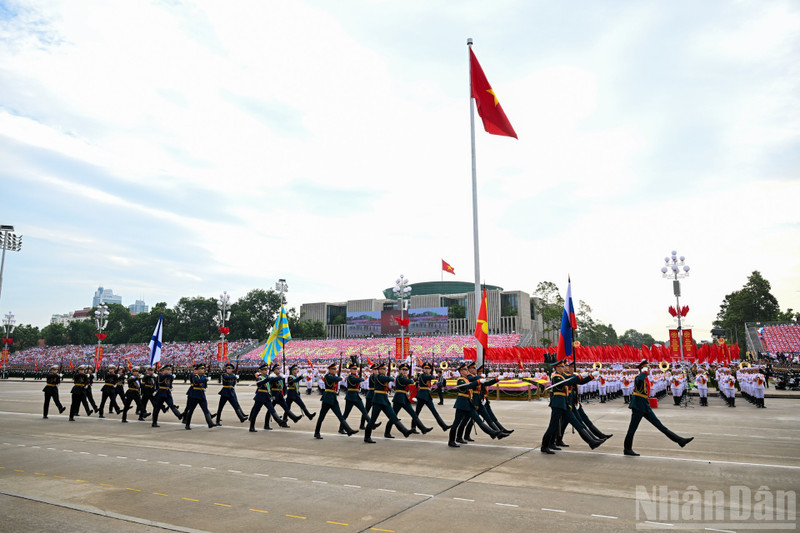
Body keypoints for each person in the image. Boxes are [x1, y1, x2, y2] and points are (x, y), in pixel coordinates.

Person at [623, 359, 694, 456]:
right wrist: (643, 372)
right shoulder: (639, 377)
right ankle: (627, 449)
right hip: (638, 406)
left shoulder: (645, 378)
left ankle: (679, 440)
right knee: (632, 429)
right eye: (647, 368)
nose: (648, 370)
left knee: (660, 426)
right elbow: (639, 381)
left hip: (645, 405)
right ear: (643, 369)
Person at [448, 362, 501, 448]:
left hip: (469, 403)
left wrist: (494, 380)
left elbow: (473, 383)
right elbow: (468, 386)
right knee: (456, 423)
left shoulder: (467, 379)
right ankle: (451, 440)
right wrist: (478, 381)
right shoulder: (460, 380)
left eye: (466, 369)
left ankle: (492, 432)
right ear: (461, 371)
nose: (466, 371)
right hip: (462, 404)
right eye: (464, 369)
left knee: (478, 420)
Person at [363, 362, 412, 444]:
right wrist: (390, 376)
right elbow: (390, 379)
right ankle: (367, 437)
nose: (384, 370)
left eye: (385, 369)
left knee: (393, 416)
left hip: (384, 399)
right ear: (379, 370)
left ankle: (404, 431)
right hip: (378, 400)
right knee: (373, 419)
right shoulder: (378, 377)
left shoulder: (383, 376)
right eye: (382, 369)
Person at [385, 363, 432, 438]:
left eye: (406, 370)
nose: (405, 371)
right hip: (398, 398)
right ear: (400, 370)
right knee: (393, 416)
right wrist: (413, 379)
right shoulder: (399, 377)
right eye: (403, 370)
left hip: (404, 398)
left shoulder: (405, 377)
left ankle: (423, 428)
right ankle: (387, 432)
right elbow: (409, 382)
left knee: (413, 414)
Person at [313, 363, 358, 439]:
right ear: (330, 370)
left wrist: (339, 377)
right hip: (327, 398)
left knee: (340, 415)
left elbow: (338, 379)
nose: (335, 370)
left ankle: (348, 430)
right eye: (333, 369)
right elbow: (337, 379)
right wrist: (339, 377)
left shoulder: (333, 376)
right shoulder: (328, 376)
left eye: (335, 369)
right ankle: (316, 432)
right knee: (322, 416)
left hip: (333, 398)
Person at [248, 362, 289, 433]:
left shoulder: (268, 377)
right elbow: (259, 384)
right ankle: (251, 427)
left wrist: (280, 377)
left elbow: (274, 380)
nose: (266, 371)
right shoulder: (259, 377)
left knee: (272, 409)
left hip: (267, 396)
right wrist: (268, 378)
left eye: (266, 370)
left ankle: (280, 421)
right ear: (260, 371)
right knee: (256, 412)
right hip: (260, 396)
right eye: (264, 370)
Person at [339, 363, 376, 434]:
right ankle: (341, 428)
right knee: (346, 413)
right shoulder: (350, 377)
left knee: (364, 411)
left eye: (356, 369)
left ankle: (371, 424)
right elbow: (357, 380)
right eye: (353, 369)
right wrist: (363, 378)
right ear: (350, 370)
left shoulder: (356, 376)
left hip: (356, 396)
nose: (355, 370)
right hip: (350, 397)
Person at [412, 362, 450, 432]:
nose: (427, 370)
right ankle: (413, 427)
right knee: (417, 412)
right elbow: (431, 377)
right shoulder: (422, 376)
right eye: (425, 368)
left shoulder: (427, 375)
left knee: (434, 411)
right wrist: (433, 374)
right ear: (423, 369)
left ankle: (443, 426)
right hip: (421, 395)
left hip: (427, 395)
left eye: (428, 369)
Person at [182, 363, 217, 430]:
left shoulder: (203, 376)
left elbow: (204, 384)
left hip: (201, 394)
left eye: (203, 369)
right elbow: (196, 381)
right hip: (194, 395)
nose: (203, 370)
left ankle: (210, 423)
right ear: (197, 370)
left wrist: (205, 386)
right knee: (191, 410)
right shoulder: (195, 376)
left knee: (205, 409)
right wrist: (206, 379)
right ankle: (187, 424)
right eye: (201, 369)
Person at [267, 364, 302, 429]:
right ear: (274, 370)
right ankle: (266, 424)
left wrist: (285, 393)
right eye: (277, 369)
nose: (279, 370)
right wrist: (281, 377)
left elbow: (284, 387)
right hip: (274, 395)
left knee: (286, 408)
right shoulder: (272, 376)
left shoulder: (281, 377)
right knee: (270, 410)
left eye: (279, 369)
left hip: (280, 395)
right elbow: (272, 381)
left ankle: (294, 418)